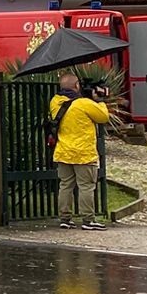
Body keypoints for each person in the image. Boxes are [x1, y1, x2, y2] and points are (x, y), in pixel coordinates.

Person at [49, 72, 110, 230]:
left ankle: (65, 218)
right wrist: (99, 100)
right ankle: (88, 220)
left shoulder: (55, 102)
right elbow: (103, 117)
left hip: (63, 151)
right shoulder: (83, 103)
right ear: (76, 86)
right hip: (83, 153)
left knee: (65, 185)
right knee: (86, 186)